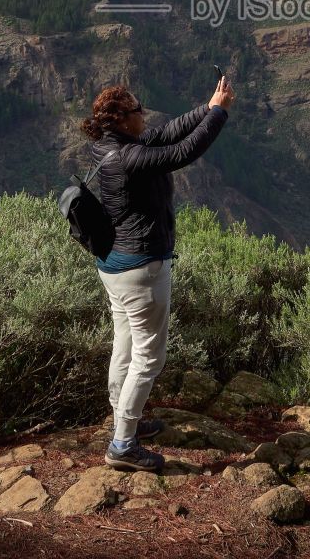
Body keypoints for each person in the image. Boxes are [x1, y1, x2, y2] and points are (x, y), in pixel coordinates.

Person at [78, 75, 236, 473]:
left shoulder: (112, 146)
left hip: (113, 266)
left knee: (125, 345)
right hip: (141, 268)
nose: (143, 113)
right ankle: (123, 444)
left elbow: (167, 132)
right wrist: (218, 115)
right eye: (136, 110)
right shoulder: (130, 158)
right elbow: (184, 150)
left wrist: (206, 106)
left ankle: (124, 420)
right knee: (148, 357)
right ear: (121, 119)